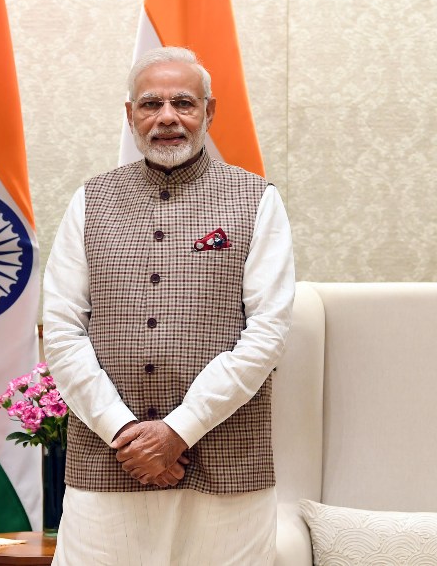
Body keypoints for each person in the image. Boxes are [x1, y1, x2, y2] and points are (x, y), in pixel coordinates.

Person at [42, 46, 295, 564]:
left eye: (184, 103)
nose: (167, 118)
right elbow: (63, 329)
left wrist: (180, 430)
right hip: (108, 459)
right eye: (150, 104)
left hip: (227, 461)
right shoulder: (91, 200)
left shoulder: (256, 199)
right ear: (130, 114)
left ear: (209, 111)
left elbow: (267, 332)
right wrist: (123, 431)